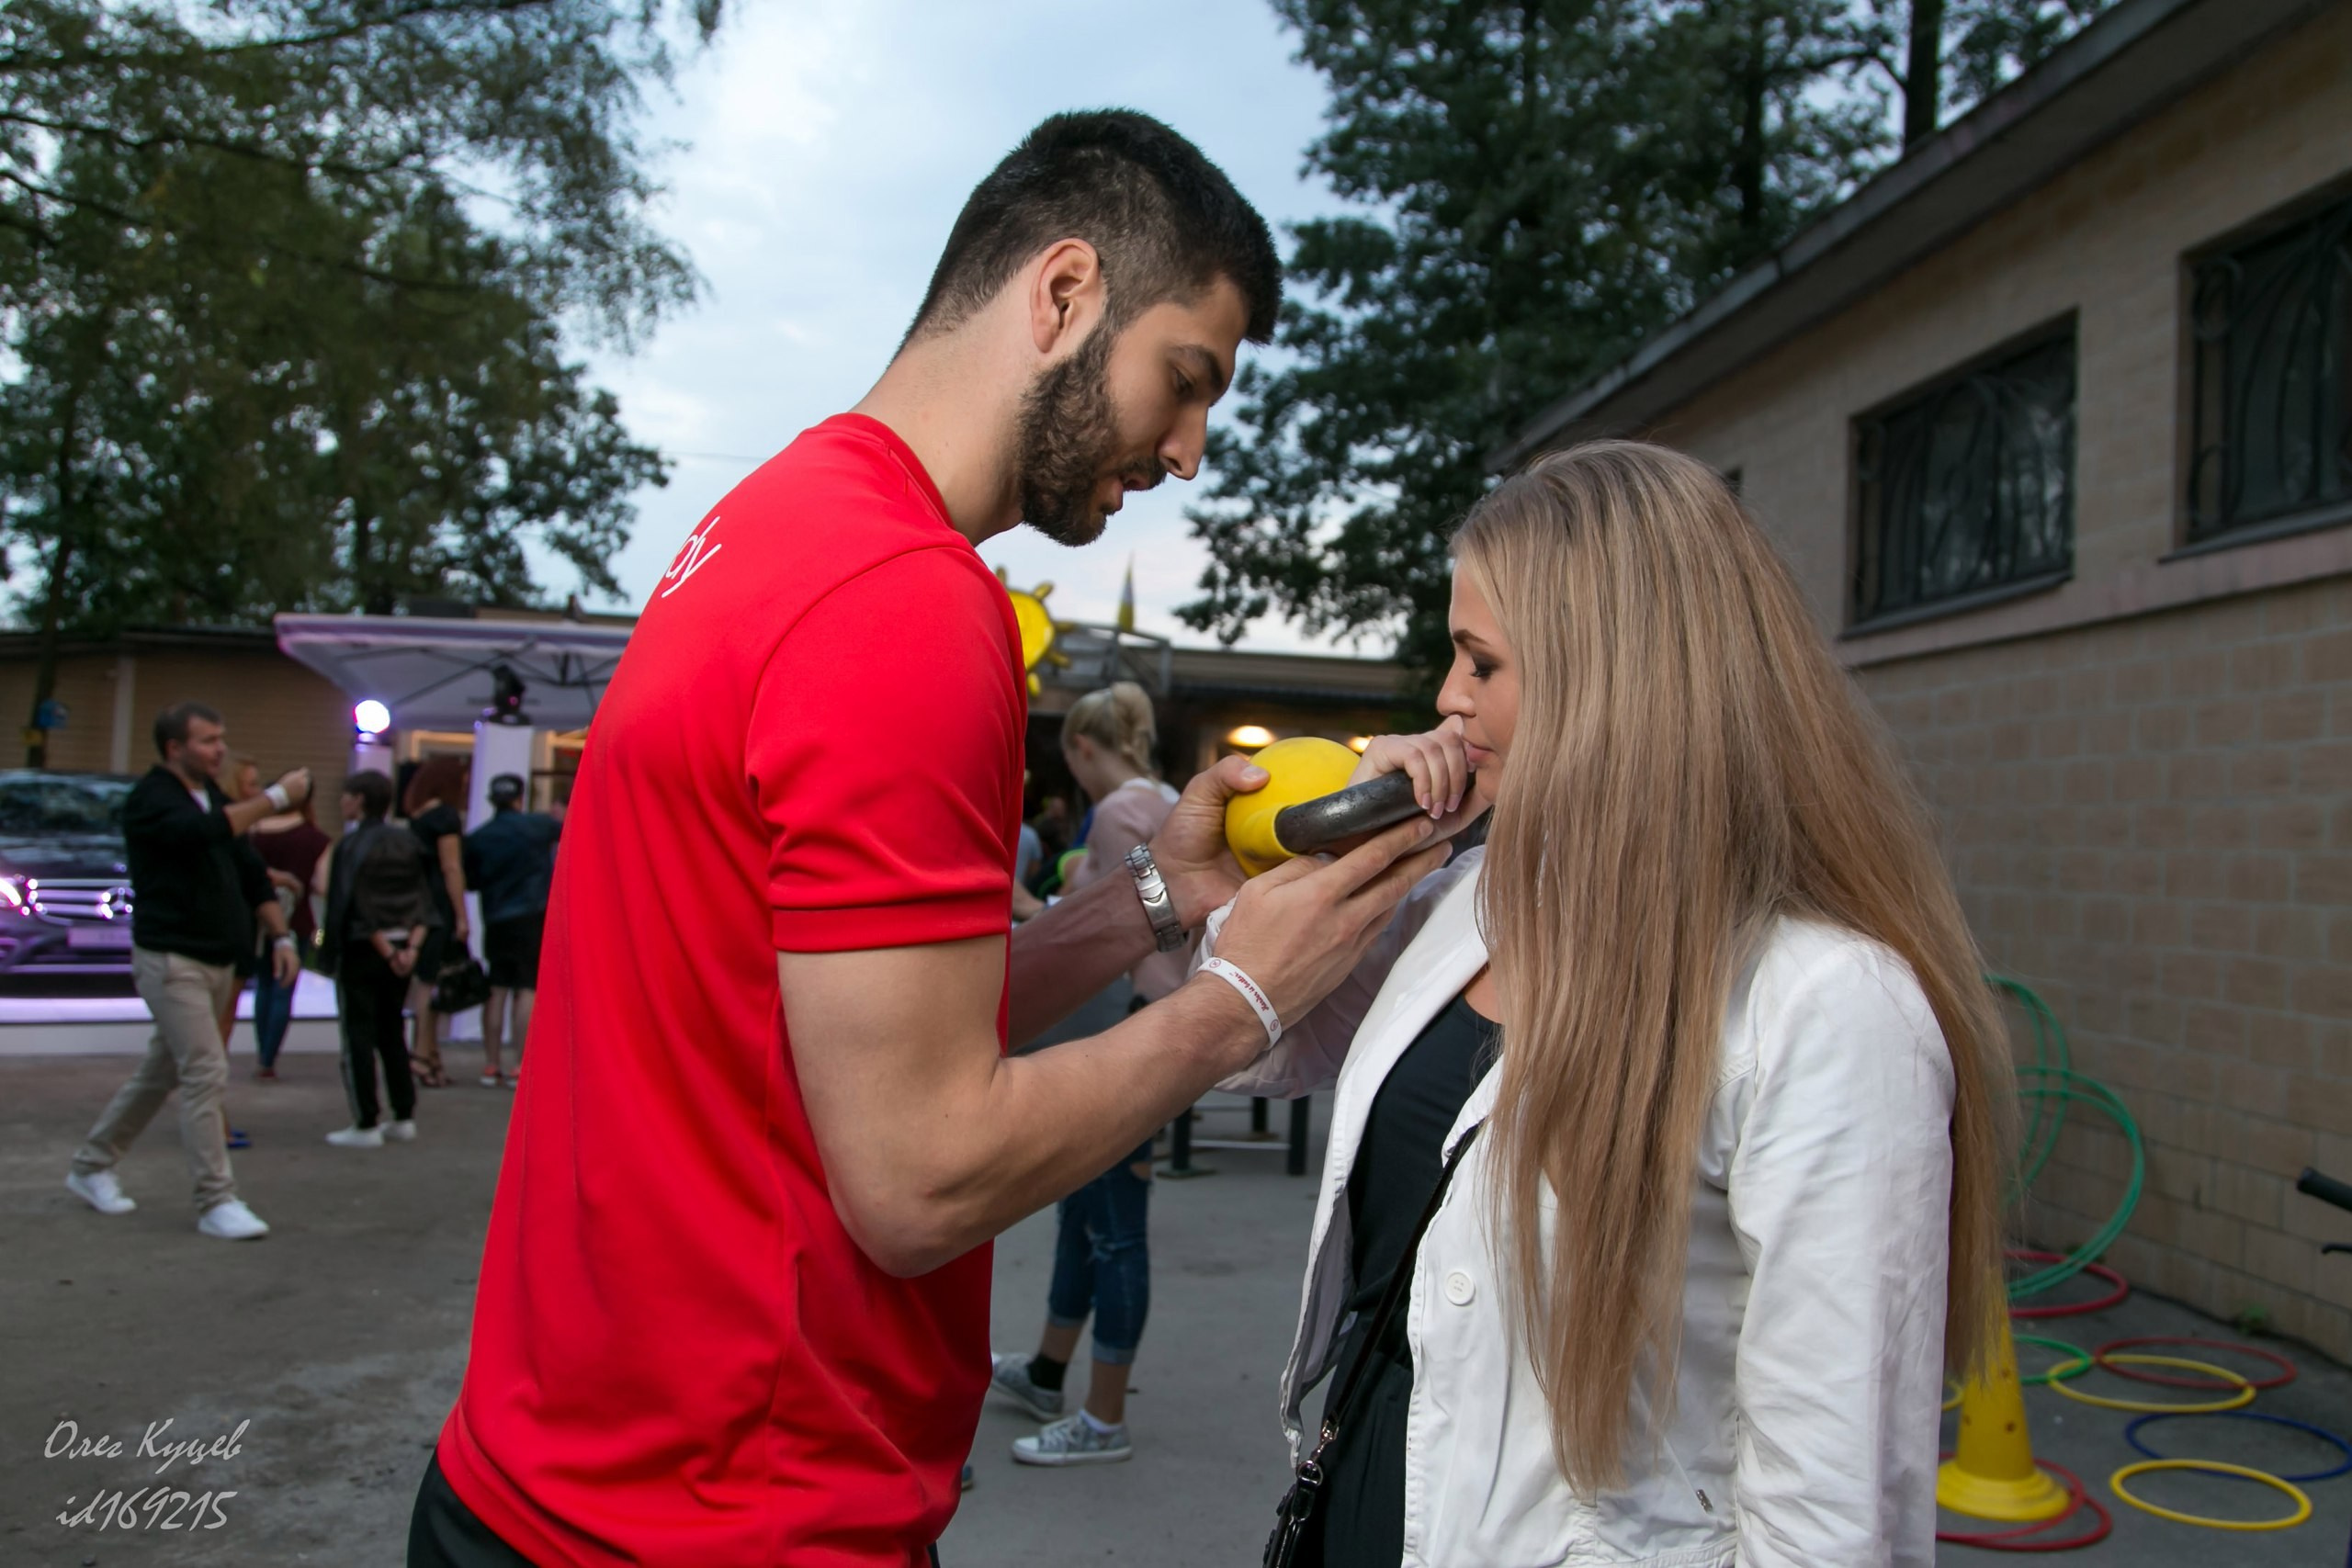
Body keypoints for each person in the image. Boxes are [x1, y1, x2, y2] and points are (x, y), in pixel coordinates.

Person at [408, 110, 1451, 1568]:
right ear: (1067, 293)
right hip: (718, 1518)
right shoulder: (904, 599)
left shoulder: (770, 524)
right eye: (1188, 380)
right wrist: (1244, 1003)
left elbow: (836, 1021)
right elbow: (917, 1176)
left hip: (551, 1473)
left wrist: (1155, 900)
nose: (1191, 449)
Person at [1208, 442, 2015, 1568]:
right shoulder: (1468, 899)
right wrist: (1348, 855)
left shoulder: (1827, 1009)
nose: (1446, 698)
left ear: (1616, 686)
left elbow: (1833, 1527)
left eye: (1481, 663)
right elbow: (1250, 1044)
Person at [990, 682, 1183, 1467]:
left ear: (1083, 749)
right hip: (1147, 1018)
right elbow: (1162, 916)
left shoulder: (1123, 814)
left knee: (1110, 1227)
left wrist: (1023, 907)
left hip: (1129, 1024)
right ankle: (1048, 1370)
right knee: (1087, 1212)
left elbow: (1131, 926)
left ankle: (1104, 1418)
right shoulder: (1164, 799)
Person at [62, 703, 308, 1240]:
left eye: (221, 738)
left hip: (218, 959)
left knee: (163, 1071)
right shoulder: (152, 801)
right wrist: (276, 798)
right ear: (175, 748)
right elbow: (203, 834)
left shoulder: (211, 797)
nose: (219, 749)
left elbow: (245, 867)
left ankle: (91, 1165)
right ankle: (216, 1200)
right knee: (205, 1070)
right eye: (206, 741)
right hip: (173, 961)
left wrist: (281, 933)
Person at [315, 771, 440, 1148]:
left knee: (358, 1035)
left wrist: (367, 950)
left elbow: (349, 904)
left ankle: (366, 1120)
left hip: (363, 950)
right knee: (392, 1032)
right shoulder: (409, 842)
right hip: (404, 947)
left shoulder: (352, 847)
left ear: (358, 799)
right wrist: (409, 950)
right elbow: (426, 900)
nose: (341, 802)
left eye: (346, 795)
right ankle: (403, 1114)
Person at [460, 773, 560, 1086]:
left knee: (497, 987)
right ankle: (520, 1064)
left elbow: (472, 881)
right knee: (526, 989)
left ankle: (491, 1064)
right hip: (532, 915)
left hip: (497, 917)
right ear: (521, 797)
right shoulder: (538, 827)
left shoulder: (479, 837)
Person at [247, 790, 332, 1078]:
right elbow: (323, 884)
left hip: (258, 921)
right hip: (298, 920)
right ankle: (268, 1060)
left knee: (263, 987)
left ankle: (262, 1052)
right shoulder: (316, 839)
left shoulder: (254, 833)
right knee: (284, 989)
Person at [401, 755, 471, 1088]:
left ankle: (428, 1054)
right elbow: (452, 868)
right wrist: (462, 914)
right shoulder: (445, 818)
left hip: (418, 903)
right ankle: (422, 1054)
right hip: (439, 906)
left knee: (426, 981)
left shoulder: (418, 818)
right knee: (433, 984)